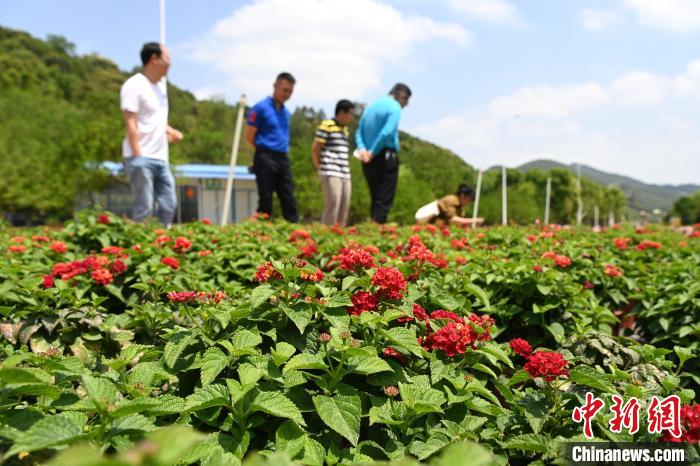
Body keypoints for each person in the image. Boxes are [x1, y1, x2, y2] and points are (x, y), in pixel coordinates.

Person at [121, 42, 183, 226]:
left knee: (169, 204)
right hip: (140, 156)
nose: (170, 63)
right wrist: (138, 154)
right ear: (154, 59)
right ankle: (140, 246)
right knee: (145, 207)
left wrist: (171, 131)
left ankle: (162, 241)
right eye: (168, 58)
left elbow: (155, 119)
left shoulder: (159, 88)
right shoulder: (134, 85)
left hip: (161, 158)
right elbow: (130, 121)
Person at [245, 72, 298, 222]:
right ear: (275, 85)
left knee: (289, 197)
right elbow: (249, 136)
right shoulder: (259, 108)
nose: (287, 94)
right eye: (284, 90)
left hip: (283, 158)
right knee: (266, 198)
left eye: (290, 91)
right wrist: (265, 151)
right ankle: (261, 233)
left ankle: (295, 233)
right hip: (265, 156)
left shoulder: (286, 112)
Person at [356, 83, 411, 224]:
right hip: (385, 155)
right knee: (384, 198)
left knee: (375, 196)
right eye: (406, 100)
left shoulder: (371, 106)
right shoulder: (395, 107)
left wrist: (363, 150)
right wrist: (372, 151)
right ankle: (377, 229)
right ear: (402, 95)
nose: (406, 104)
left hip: (367, 159)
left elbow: (359, 131)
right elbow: (387, 132)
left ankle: (371, 229)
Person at [312, 100, 356, 226]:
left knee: (344, 204)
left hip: (345, 172)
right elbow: (316, 148)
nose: (352, 117)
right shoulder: (327, 125)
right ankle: (327, 232)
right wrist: (319, 167)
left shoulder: (345, 130)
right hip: (330, 170)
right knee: (333, 201)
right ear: (342, 112)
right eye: (350, 113)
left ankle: (339, 232)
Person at [416, 185, 484, 227]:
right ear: (463, 195)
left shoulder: (460, 206)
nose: (468, 203)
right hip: (429, 226)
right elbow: (453, 219)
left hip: (439, 229)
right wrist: (474, 220)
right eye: (469, 200)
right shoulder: (451, 200)